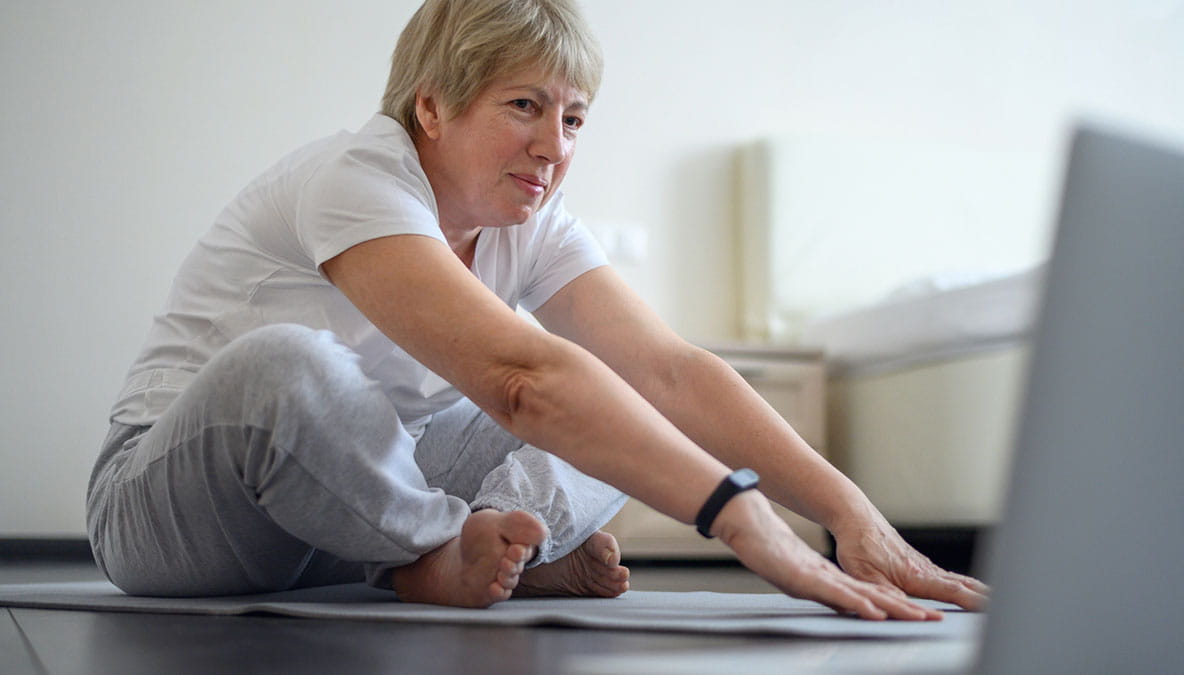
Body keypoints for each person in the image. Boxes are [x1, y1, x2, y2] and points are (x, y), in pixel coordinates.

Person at [87, 0, 988, 617]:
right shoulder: (357, 180)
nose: (553, 147)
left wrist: (853, 519)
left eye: (574, 120)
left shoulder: (537, 220)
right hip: (183, 502)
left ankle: (480, 554)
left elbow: (673, 372)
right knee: (294, 366)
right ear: (432, 107)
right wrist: (743, 519)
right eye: (525, 105)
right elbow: (520, 380)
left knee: (626, 399)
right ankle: (441, 553)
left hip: (363, 504)